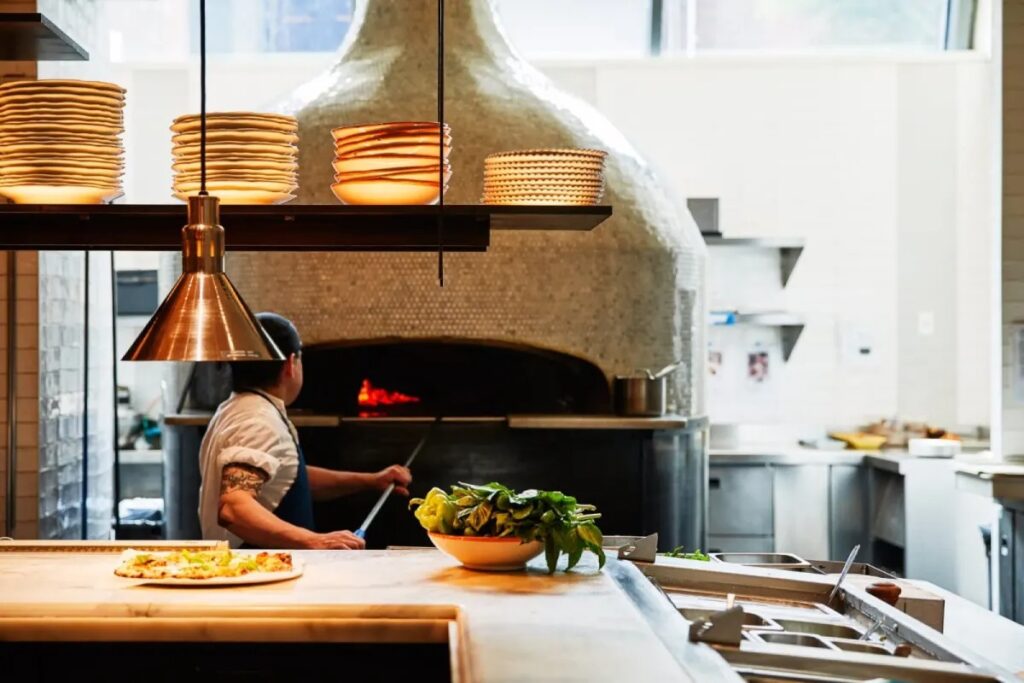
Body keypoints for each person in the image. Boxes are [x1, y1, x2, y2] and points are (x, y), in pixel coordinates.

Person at [198, 312, 412, 549]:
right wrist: (315, 540)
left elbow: (288, 476)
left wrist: (370, 481)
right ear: (291, 364)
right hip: (262, 574)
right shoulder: (258, 421)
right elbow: (233, 508)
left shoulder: (239, 407)